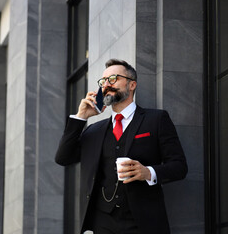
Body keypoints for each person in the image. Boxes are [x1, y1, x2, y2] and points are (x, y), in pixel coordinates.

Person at [55, 59, 187, 234]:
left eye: (113, 78)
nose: (106, 85)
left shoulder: (156, 119)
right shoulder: (94, 130)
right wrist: (81, 117)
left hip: (143, 222)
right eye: (103, 81)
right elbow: (63, 158)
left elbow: (179, 167)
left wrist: (148, 172)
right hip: (102, 223)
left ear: (132, 85)